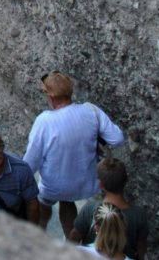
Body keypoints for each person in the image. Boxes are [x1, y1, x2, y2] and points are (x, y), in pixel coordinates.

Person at [23, 71, 124, 238]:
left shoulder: (45, 121)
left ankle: (37, 238)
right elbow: (117, 138)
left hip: (54, 186)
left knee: (43, 203)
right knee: (67, 199)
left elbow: (31, 162)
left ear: (50, 96)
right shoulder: (91, 111)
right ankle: (71, 245)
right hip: (85, 182)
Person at [69, 158, 148, 260]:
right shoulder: (139, 215)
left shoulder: (90, 209)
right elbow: (141, 246)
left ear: (101, 184)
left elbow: (74, 236)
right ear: (125, 181)